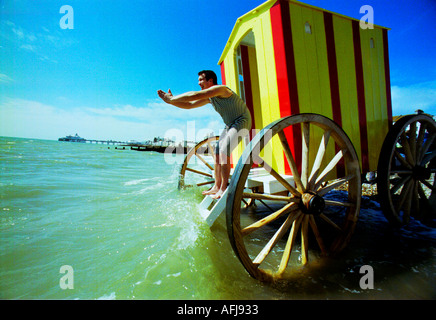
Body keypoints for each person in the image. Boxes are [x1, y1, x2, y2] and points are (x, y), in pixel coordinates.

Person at [158, 70, 252, 199]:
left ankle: (224, 187)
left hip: (242, 120)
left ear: (210, 81)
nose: (199, 83)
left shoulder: (221, 89)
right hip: (229, 124)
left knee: (224, 151)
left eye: (201, 80)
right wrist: (170, 102)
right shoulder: (210, 98)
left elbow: (195, 95)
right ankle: (217, 186)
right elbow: (190, 105)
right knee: (217, 153)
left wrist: (172, 98)